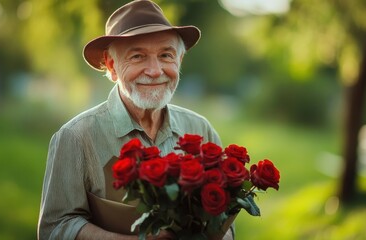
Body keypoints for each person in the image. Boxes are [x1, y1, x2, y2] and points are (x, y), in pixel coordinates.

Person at [37, 0, 234, 239]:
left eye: (166, 55)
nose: (154, 70)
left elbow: (225, 223)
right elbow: (56, 227)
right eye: (138, 56)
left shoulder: (201, 130)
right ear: (112, 66)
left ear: (179, 61)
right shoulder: (76, 137)